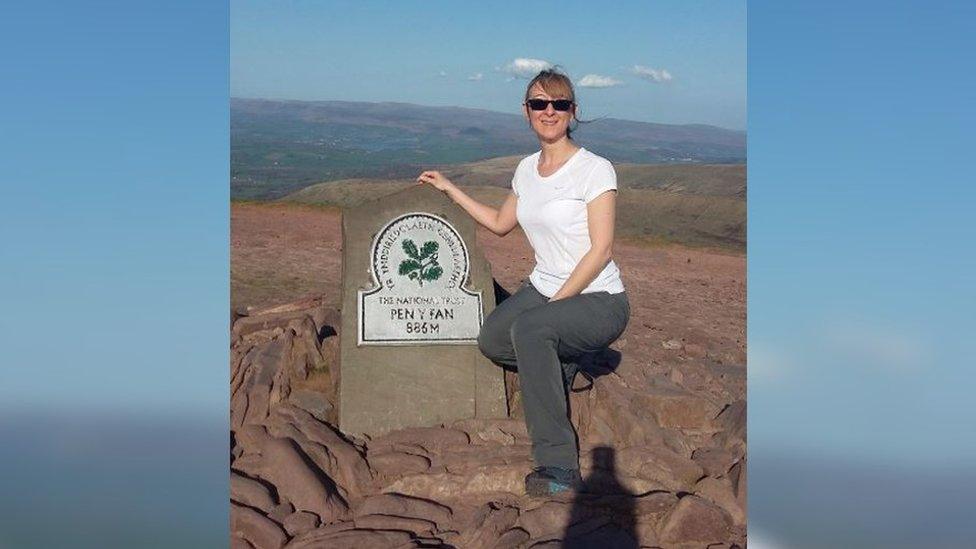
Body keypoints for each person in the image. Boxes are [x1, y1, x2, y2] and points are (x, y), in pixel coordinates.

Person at [416, 68, 630, 497]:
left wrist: (553, 308)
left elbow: (600, 250)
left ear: (573, 111)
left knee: (532, 330)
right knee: (493, 340)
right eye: (538, 103)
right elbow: (499, 223)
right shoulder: (526, 169)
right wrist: (449, 189)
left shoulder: (595, 170)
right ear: (526, 111)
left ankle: (558, 465)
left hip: (598, 298)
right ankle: (560, 362)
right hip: (543, 286)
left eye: (559, 103)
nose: (548, 111)